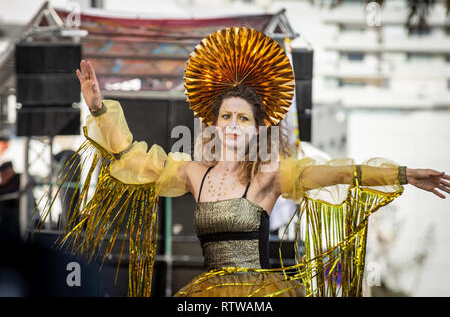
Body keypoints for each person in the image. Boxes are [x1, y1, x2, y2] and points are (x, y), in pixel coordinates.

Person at [40, 27, 450, 297]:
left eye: (242, 118)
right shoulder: (192, 173)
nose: (233, 125)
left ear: (257, 129)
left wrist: (404, 173)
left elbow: (343, 172)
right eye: (225, 117)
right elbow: (129, 158)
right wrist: (97, 109)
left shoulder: (271, 176)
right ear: (213, 125)